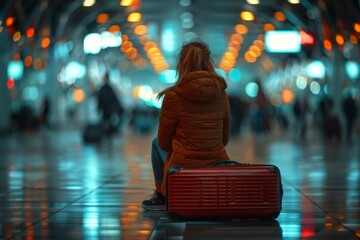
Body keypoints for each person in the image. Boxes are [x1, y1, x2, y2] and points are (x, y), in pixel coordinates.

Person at [142, 40, 231, 211]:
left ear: (181, 65)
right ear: (209, 62)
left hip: (181, 172)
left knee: (155, 143)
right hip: (216, 169)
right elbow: (224, 139)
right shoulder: (221, 94)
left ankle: (161, 196)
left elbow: (163, 143)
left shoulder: (173, 97)